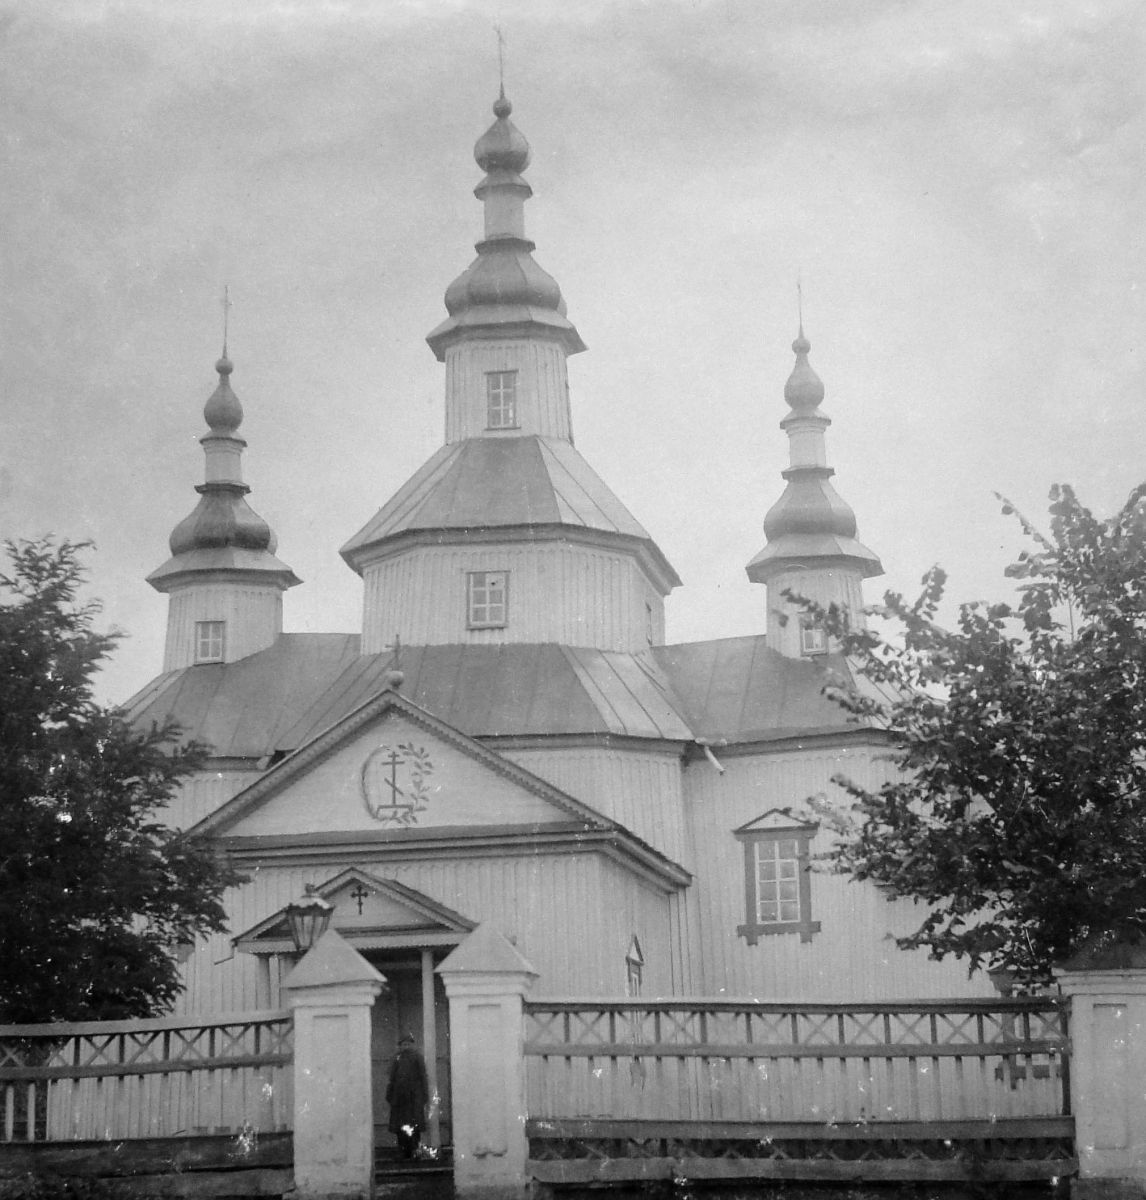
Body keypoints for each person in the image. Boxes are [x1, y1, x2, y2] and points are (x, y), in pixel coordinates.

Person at [385, 1031, 430, 1160]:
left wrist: (424, 1094)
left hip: (414, 1097)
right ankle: (402, 1150)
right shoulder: (396, 1058)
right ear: (400, 1046)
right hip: (399, 1098)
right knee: (400, 1127)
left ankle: (415, 1150)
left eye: (408, 1044)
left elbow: (423, 1076)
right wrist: (390, 1094)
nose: (406, 1047)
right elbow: (391, 1078)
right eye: (403, 1044)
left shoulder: (417, 1057)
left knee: (414, 1126)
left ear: (412, 1045)